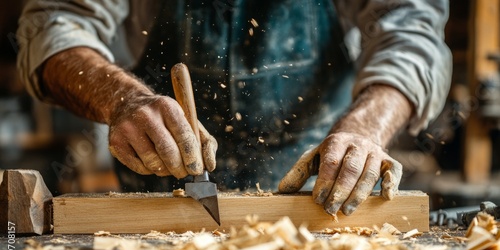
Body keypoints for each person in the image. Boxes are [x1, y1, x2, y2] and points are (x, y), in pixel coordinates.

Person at [16, 0, 451, 217]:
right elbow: (55, 24)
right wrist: (123, 99)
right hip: (162, 194)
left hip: (319, 192)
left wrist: (367, 128)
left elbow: (412, 31)